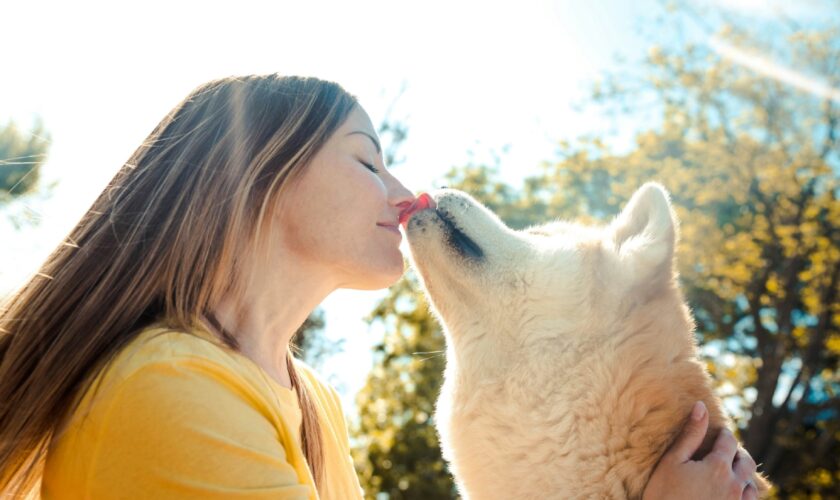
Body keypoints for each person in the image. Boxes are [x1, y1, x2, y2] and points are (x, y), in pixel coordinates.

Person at [0, 74, 758, 499]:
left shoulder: (313, 403)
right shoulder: (167, 391)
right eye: (368, 161)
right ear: (251, 174)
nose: (403, 194)